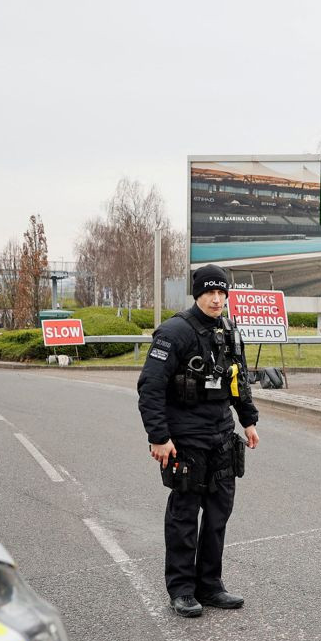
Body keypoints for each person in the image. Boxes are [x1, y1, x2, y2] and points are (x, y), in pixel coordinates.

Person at [137, 264, 259, 618]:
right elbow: (150, 388)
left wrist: (248, 420)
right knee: (184, 514)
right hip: (185, 439)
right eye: (210, 292)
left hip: (221, 434)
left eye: (222, 292)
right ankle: (182, 589)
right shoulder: (174, 332)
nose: (217, 298)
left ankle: (210, 585)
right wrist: (159, 437)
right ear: (197, 293)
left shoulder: (229, 330)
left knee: (219, 513)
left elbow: (238, 379)